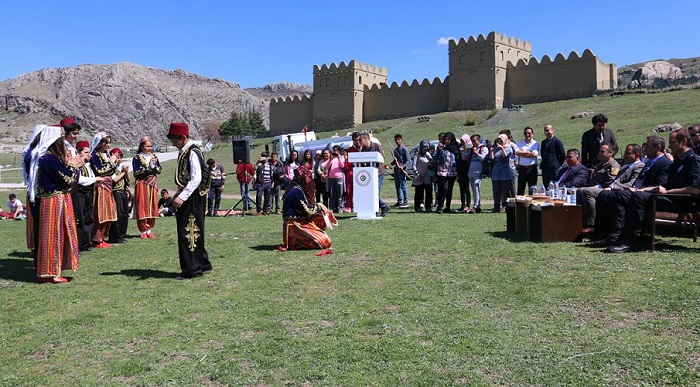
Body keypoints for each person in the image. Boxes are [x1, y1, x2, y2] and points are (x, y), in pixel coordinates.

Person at [606, 129, 700, 253]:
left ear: (683, 141)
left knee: (639, 197)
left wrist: (667, 193)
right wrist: (641, 189)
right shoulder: (676, 162)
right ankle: (617, 236)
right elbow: (665, 185)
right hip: (668, 197)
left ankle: (631, 240)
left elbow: (694, 189)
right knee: (629, 194)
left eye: (672, 142)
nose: (670, 146)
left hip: (682, 202)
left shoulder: (693, 161)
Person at [591, 135, 673, 247]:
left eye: (647, 146)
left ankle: (619, 235)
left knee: (619, 195)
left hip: (649, 196)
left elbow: (660, 185)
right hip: (636, 191)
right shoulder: (650, 162)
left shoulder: (664, 163)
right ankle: (603, 234)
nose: (644, 149)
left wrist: (639, 189)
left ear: (657, 147)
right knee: (605, 194)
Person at [31, 125, 83, 283]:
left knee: (57, 234)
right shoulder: (49, 159)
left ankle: (52, 271)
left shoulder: (51, 158)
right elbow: (66, 178)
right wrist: (74, 165)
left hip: (58, 199)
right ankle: (51, 272)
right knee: (53, 235)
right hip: (54, 200)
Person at [167, 122, 212, 279]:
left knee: (189, 232)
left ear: (184, 138)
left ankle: (192, 269)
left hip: (192, 197)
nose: (173, 143)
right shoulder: (185, 151)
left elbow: (196, 178)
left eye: (175, 140)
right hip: (190, 194)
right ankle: (203, 262)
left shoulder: (192, 152)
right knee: (195, 230)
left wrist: (182, 196)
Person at [578, 144, 644, 233]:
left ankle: (591, 224)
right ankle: (579, 222)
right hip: (608, 188)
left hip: (619, 191)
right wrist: (601, 186)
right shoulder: (625, 166)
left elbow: (631, 183)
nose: (624, 155)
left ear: (637, 155)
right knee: (580, 190)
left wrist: (611, 187)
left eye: (628, 153)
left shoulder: (639, 166)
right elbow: (614, 181)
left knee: (587, 192)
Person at [277, 166, 337, 251]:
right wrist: (320, 206)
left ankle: (301, 240)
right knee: (325, 241)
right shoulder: (296, 191)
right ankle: (298, 242)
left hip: (300, 221)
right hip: (294, 225)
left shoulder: (298, 189)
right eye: (308, 177)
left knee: (321, 215)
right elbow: (307, 211)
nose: (309, 180)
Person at [90, 132, 118, 248]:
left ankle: (102, 237)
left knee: (109, 212)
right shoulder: (95, 156)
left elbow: (110, 171)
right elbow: (100, 171)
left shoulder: (104, 155)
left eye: (109, 143)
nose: (108, 145)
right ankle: (97, 239)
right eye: (106, 143)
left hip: (107, 186)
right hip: (100, 187)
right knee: (101, 212)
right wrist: (111, 162)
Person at [132, 136, 161, 238]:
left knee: (152, 205)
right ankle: (143, 230)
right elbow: (136, 172)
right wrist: (149, 168)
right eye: (147, 146)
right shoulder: (137, 158)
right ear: (142, 146)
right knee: (142, 206)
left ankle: (149, 229)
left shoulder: (154, 157)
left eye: (150, 146)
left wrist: (154, 165)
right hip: (142, 183)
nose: (149, 148)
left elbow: (159, 170)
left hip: (152, 184)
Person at [360, 133, 390, 217]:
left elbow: (382, 157)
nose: (360, 142)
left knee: (375, 192)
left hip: (378, 172)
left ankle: (383, 207)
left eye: (361, 140)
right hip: (369, 174)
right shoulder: (363, 149)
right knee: (371, 192)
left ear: (366, 139)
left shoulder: (377, 146)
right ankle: (377, 209)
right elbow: (361, 158)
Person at [107, 148, 130, 244]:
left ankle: (122, 234)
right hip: (116, 191)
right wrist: (123, 173)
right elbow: (114, 180)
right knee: (118, 214)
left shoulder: (120, 167)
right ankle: (114, 236)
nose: (119, 159)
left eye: (120, 157)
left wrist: (126, 173)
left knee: (125, 213)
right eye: (117, 157)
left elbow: (128, 181)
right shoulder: (111, 168)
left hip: (123, 191)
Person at [434, 132, 459, 214]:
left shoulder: (455, 149)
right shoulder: (441, 148)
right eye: (445, 139)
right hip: (442, 171)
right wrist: (439, 150)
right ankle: (440, 206)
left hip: (452, 172)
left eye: (448, 139)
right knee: (443, 188)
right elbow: (436, 158)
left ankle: (448, 207)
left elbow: (458, 160)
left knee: (449, 190)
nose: (447, 141)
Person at [490, 134, 513, 212]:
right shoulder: (496, 149)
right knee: (496, 191)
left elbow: (505, 156)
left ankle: (506, 206)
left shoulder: (508, 148)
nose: (499, 142)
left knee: (505, 191)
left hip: (505, 171)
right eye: (498, 140)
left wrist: (502, 148)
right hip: (496, 171)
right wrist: (492, 151)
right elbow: (492, 158)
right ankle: (496, 207)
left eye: (501, 140)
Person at [467, 134, 488, 213]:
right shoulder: (471, 149)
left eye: (475, 140)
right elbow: (465, 158)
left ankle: (476, 206)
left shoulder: (483, 148)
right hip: (470, 171)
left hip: (478, 171)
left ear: (479, 140)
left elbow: (483, 158)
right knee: (473, 189)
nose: (473, 142)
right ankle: (476, 205)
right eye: (472, 141)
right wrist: (465, 151)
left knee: (476, 188)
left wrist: (476, 153)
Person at [515, 126, 539, 195]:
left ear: (532, 134)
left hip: (532, 169)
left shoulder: (535, 143)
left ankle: (531, 205)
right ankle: (520, 205)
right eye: (525, 133)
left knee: (532, 189)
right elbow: (517, 153)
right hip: (522, 169)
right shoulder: (520, 143)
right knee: (520, 189)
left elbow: (534, 154)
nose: (527, 135)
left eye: (529, 133)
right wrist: (528, 152)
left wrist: (522, 153)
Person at [412, 140, 433, 213]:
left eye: (426, 149)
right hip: (419, 176)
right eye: (424, 148)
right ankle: (417, 207)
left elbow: (431, 162)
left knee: (428, 192)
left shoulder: (428, 154)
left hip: (427, 176)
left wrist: (430, 158)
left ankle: (428, 207)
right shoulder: (417, 155)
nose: (425, 150)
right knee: (418, 192)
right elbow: (414, 165)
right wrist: (416, 173)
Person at [343, 132, 362, 212]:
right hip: (351, 171)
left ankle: (360, 205)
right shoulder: (350, 150)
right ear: (353, 140)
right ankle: (349, 206)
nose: (357, 142)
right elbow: (347, 162)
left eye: (359, 140)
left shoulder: (364, 148)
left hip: (362, 171)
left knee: (361, 189)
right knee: (349, 190)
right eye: (355, 140)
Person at [391, 133, 410, 208]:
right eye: (396, 140)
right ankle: (399, 201)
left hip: (402, 170)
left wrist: (403, 166)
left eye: (398, 139)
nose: (397, 141)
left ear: (401, 140)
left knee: (403, 185)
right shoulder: (395, 150)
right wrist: (391, 164)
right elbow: (396, 160)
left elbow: (408, 161)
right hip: (396, 170)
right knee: (397, 186)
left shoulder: (404, 149)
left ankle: (406, 201)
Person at [325, 147, 346, 213]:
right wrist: (330, 159)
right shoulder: (332, 159)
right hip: (331, 178)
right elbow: (327, 166)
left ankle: (340, 207)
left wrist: (338, 157)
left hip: (339, 177)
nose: (335, 152)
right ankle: (332, 208)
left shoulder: (342, 158)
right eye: (334, 151)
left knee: (340, 193)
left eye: (336, 151)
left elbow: (342, 166)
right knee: (332, 194)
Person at [456, 134, 472, 213]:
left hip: (467, 171)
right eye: (461, 141)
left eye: (463, 141)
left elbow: (464, 158)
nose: (462, 142)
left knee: (466, 189)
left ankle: (468, 205)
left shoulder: (469, 148)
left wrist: (463, 151)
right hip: (460, 171)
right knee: (461, 189)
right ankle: (462, 205)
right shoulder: (461, 148)